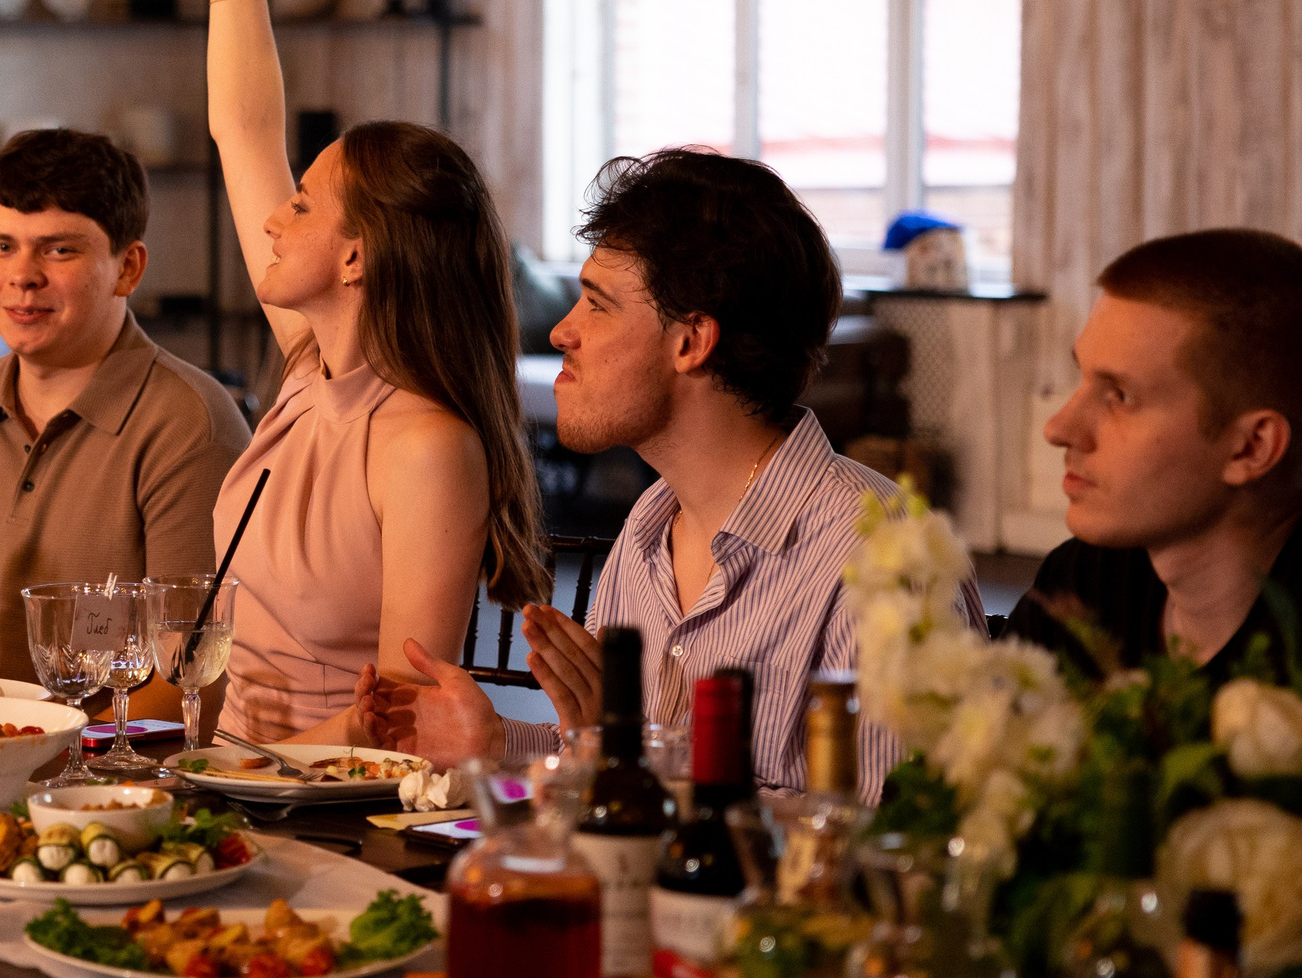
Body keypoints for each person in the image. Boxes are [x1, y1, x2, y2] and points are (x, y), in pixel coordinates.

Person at [357, 148, 984, 802]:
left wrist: (626, 754)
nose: (563, 332)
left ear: (691, 341)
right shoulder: (650, 527)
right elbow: (601, 755)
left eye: (597, 305)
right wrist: (496, 744)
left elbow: (886, 839)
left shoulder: (880, 558)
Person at [183, 0, 547, 745]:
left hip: (329, 807)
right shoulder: (312, 369)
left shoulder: (426, 445)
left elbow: (398, 726)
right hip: (233, 779)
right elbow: (242, 129)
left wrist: (223, 777)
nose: (273, 218)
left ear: (356, 260)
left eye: (303, 205)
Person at [0, 129, 250, 699]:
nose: (22, 275)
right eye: (2, 246)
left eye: (59, 250)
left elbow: (183, 690)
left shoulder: (189, 425)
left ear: (128, 268)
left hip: (108, 755)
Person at [1009, 228, 1302, 675]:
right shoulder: (1085, 583)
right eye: (1082, 378)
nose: (1058, 428)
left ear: (1251, 448)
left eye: (1120, 396)